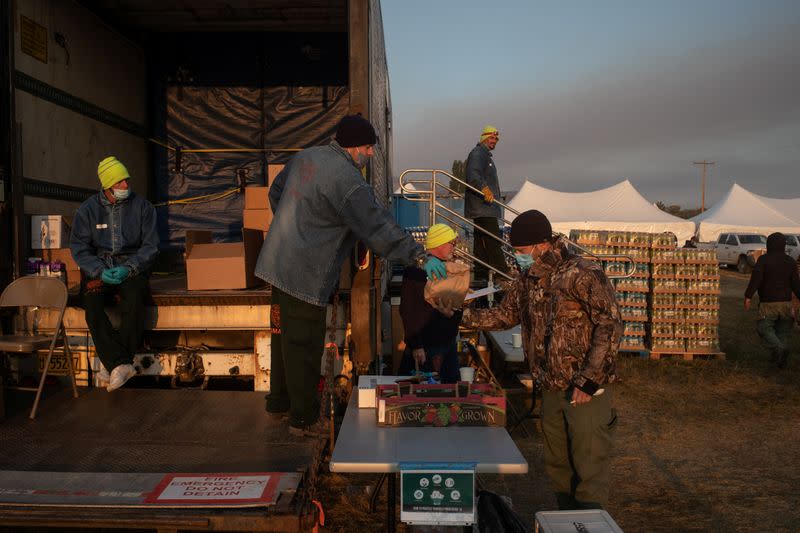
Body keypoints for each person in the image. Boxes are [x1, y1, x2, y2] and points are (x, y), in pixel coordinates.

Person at [255, 114, 445, 438]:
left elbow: (276, 193)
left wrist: (294, 228)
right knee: (303, 344)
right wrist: (418, 255)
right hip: (304, 272)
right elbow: (377, 228)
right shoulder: (348, 180)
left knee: (282, 335)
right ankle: (302, 420)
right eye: (368, 147)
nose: (370, 154)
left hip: (275, 264)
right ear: (354, 146)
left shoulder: (307, 156)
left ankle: (279, 403)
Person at [438, 210, 622, 510]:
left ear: (542, 244)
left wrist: (589, 378)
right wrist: (461, 316)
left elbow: (610, 324)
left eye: (522, 251)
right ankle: (566, 522)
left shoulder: (583, 272)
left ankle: (589, 523)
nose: (519, 257)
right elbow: (505, 314)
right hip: (550, 387)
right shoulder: (527, 279)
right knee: (558, 467)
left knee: (589, 469)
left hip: (585, 391)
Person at [70, 156, 159, 392]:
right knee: (92, 305)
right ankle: (121, 363)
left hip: (132, 269)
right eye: (119, 183)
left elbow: (150, 246)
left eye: (126, 180)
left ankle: (114, 364)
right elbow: (79, 248)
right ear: (107, 186)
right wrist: (99, 271)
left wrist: (129, 268)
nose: (125, 186)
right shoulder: (87, 211)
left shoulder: (143, 207)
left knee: (135, 299)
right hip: (100, 269)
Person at [397, 224, 463, 383]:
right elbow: (408, 309)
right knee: (423, 394)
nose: (454, 247)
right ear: (439, 244)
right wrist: (416, 345)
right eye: (451, 243)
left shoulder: (449, 267)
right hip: (427, 347)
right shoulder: (416, 271)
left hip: (448, 343)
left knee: (451, 390)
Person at [744, 232, 800, 369]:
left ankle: (779, 349)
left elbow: (755, 280)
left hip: (768, 304)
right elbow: (796, 284)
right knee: (783, 332)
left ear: (769, 244)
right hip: (786, 304)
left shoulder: (763, 260)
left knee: (764, 328)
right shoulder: (790, 261)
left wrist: (748, 296)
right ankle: (781, 360)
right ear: (783, 245)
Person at [464, 125, 508, 282]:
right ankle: (502, 272)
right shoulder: (478, 153)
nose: (494, 141)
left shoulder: (485, 155)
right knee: (493, 239)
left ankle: (481, 275)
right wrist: (484, 189)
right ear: (484, 137)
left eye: (496, 138)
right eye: (491, 137)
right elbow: (473, 174)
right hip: (483, 206)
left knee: (481, 244)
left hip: (483, 207)